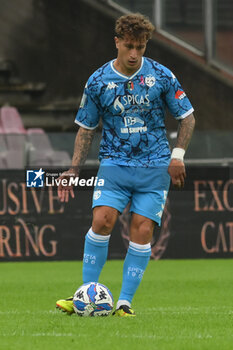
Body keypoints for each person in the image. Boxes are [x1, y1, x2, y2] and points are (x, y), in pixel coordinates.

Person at [56, 13, 195, 317]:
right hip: (114, 165)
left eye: (141, 48)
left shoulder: (161, 76)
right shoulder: (97, 81)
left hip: (155, 166)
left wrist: (177, 155)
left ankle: (124, 304)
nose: (134, 54)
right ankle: (84, 295)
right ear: (117, 42)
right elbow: (86, 128)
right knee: (102, 220)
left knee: (142, 230)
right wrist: (74, 169)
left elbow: (187, 116)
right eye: (129, 46)